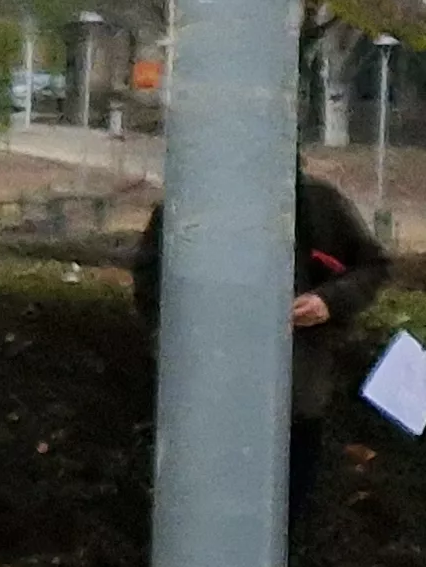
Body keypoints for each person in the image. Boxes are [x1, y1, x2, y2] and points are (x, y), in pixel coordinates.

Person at [131, 164, 391, 530]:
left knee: (282, 522)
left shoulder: (317, 201)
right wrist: (177, 343)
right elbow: (149, 281)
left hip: (294, 400)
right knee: (203, 524)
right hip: (206, 402)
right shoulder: (187, 201)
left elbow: (373, 265)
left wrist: (328, 301)